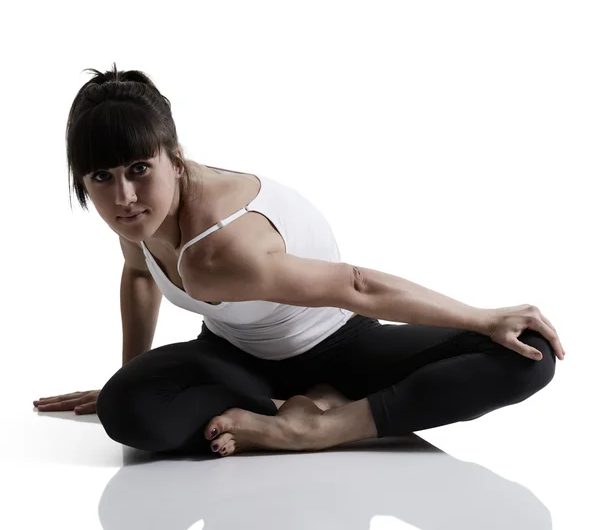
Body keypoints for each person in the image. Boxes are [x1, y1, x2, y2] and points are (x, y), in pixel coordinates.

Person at [33, 64, 565, 458]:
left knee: (529, 356)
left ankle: (327, 425)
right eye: (101, 177)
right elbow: (137, 274)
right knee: (125, 411)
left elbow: (355, 286)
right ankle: (294, 403)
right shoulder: (140, 217)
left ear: (174, 157)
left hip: (343, 346)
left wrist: (484, 318)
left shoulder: (218, 250)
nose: (123, 194)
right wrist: (131, 373)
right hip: (237, 356)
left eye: (138, 168)